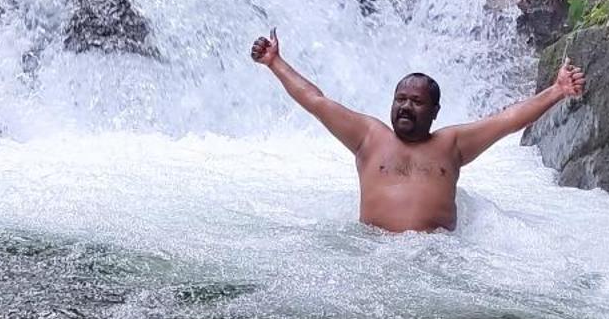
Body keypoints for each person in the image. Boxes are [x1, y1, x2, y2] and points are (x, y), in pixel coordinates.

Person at [250, 30, 586, 233]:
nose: (405, 106)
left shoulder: (451, 144)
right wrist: (274, 62)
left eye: (416, 101)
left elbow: (508, 120)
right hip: (372, 256)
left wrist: (556, 91)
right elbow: (315, 100)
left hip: (435, 261)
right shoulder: (368, 136)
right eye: (400, 99)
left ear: (435, 111)